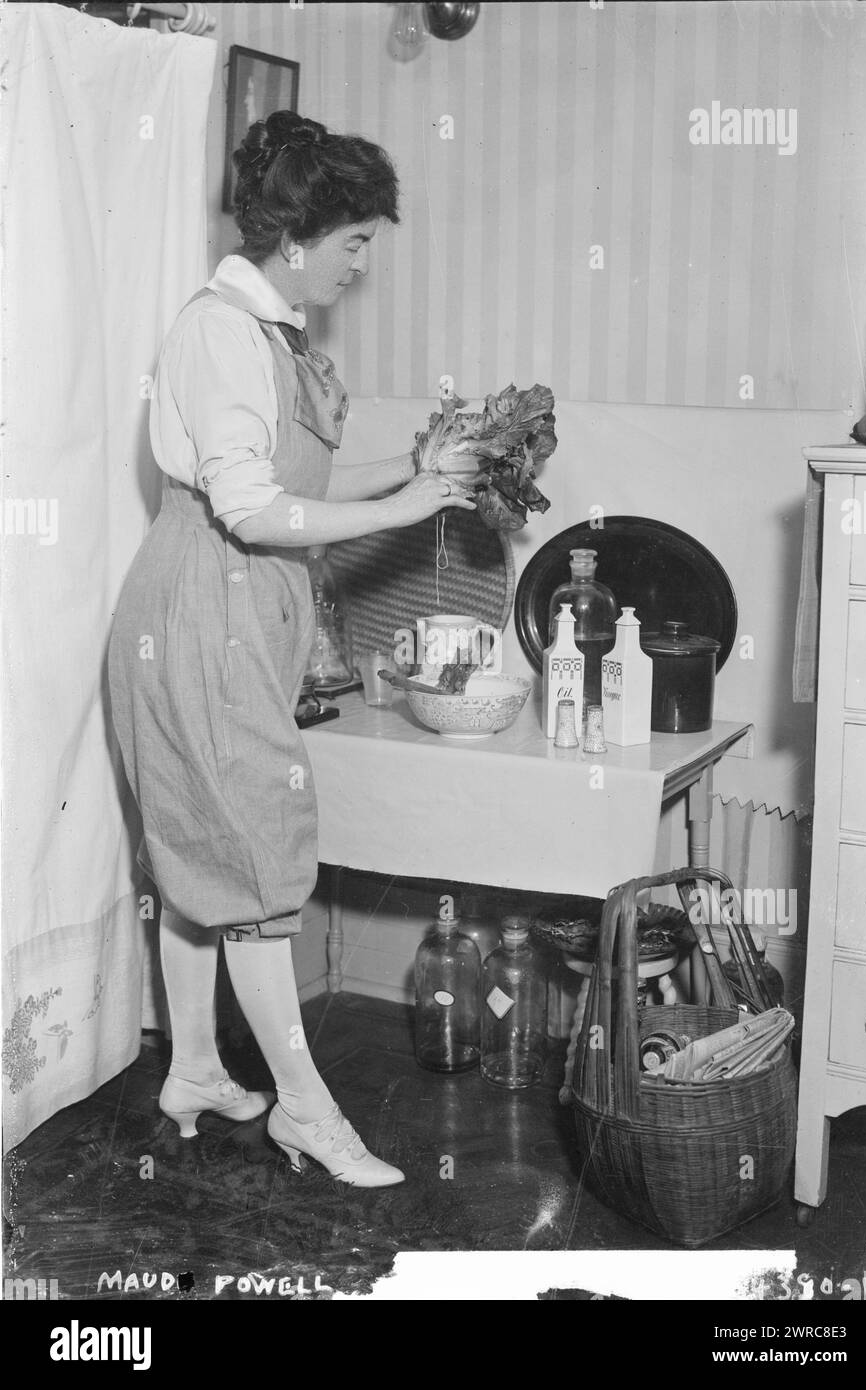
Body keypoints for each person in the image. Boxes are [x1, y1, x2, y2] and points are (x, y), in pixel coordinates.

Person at [108, 111, 474, 1187]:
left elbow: (301, 489)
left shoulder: (268, 334)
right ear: (299, 242)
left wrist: (415, 470)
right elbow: (253, 509)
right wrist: (406, 507)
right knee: (256, 861)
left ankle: (194, 1069)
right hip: (204, 604)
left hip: (226, 605)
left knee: (200, 854)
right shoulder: (221, 333)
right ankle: (306, 1110)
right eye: (356, 243)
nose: (363, 267)